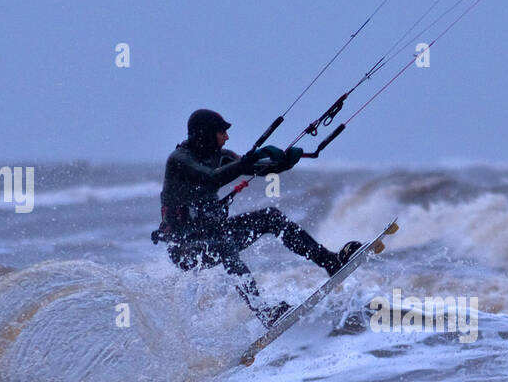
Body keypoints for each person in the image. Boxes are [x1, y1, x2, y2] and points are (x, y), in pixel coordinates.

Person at [152, 108, 361, 326]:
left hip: (213, 234)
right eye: (221, 132)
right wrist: (250, 160)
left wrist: (285, 163)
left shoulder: (220, 155)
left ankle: (330, 261)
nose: (227, 137)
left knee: (271, 217)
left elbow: (258, 169)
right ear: (204, 134)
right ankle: (263, 312)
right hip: (185, 248)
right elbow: (211, 178)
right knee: (224, 244)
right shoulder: (180, 159)